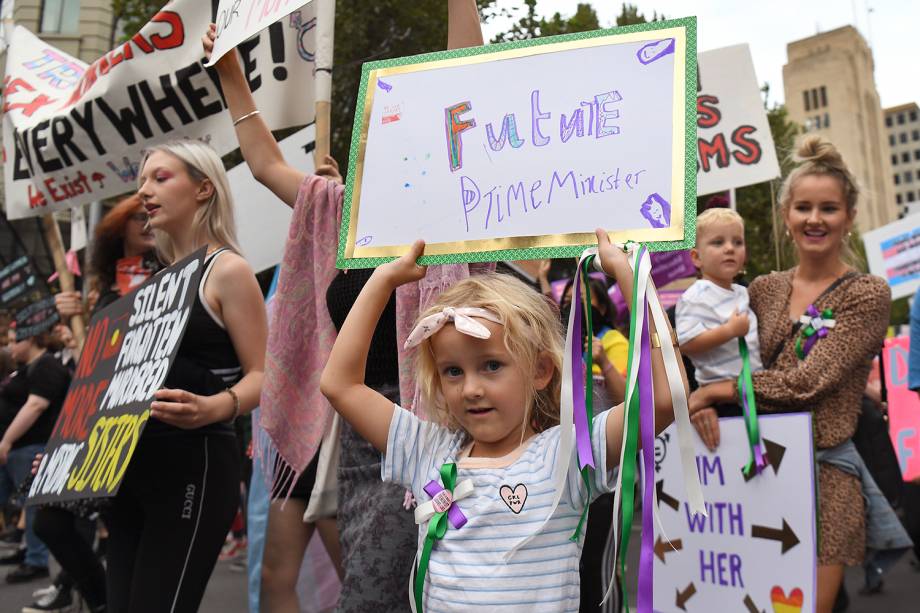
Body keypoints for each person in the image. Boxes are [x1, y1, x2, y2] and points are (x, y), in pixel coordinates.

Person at [204, 2, 490, 610]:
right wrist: (230, 72)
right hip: (358, 437)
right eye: (375, 122)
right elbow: (263, 164)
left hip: (435, 427)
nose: (381, 131)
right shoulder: (336, 211)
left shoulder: (449, 204)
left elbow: (467, 72)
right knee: (374, 585)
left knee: (387, 591)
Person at [320, 230, 687, 610]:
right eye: (452, 371)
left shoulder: (567, 456)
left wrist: (630, 276)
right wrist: (383, 279)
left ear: (540, 370)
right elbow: (339, 385)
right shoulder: (426, 451)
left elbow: (665, 398)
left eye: (491, 366)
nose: (471, 389)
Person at [688, 135, 910, 613]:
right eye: (803, 207)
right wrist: (705, 403)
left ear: (848, 217)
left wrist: (718, 392)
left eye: (828, 208)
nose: (814, 219)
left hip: (828, 478)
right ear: (787, 215)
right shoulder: (762, 289)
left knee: (806, 607)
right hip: (756, 472)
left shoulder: (868, 294)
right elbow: (713, 349)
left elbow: (810, 382)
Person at [102, 140, 267, 613]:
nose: (145, 193)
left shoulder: (228, 271)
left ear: (203, 189)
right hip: (131, 469)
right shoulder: (152, 286)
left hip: (196, 462)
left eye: (160, 178)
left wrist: (214, 407)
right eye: (141, 183)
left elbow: (264, 373)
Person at [26, 195, 159, 613]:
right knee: (50, 520)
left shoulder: (176, 272)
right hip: (95, 424)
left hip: (145, 425)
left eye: (150, 213)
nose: (148, 221)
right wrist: (72, 317)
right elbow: (93, 364)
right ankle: (101, 600)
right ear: (117, 228)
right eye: (137, 216)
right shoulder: (102, 289)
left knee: (132, 539)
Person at [677, 207, 761, 448]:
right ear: (696, 258)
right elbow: (686, 342)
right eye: (718, 242)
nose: (729, 248)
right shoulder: (695, 295)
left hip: (753, 392)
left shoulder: (742, 292)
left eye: (737, 242)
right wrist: (729, 331)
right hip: (722, 401)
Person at [0, 327, 69, 584]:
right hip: (19, 447)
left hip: (31, 446)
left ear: (30, 339)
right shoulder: (28, 368)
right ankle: (29, 552)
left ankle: (36, 560)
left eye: (13, 341)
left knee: (34, 509)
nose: (10, 347)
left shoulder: (45, 365)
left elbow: (36, 405)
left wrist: (6, 440)